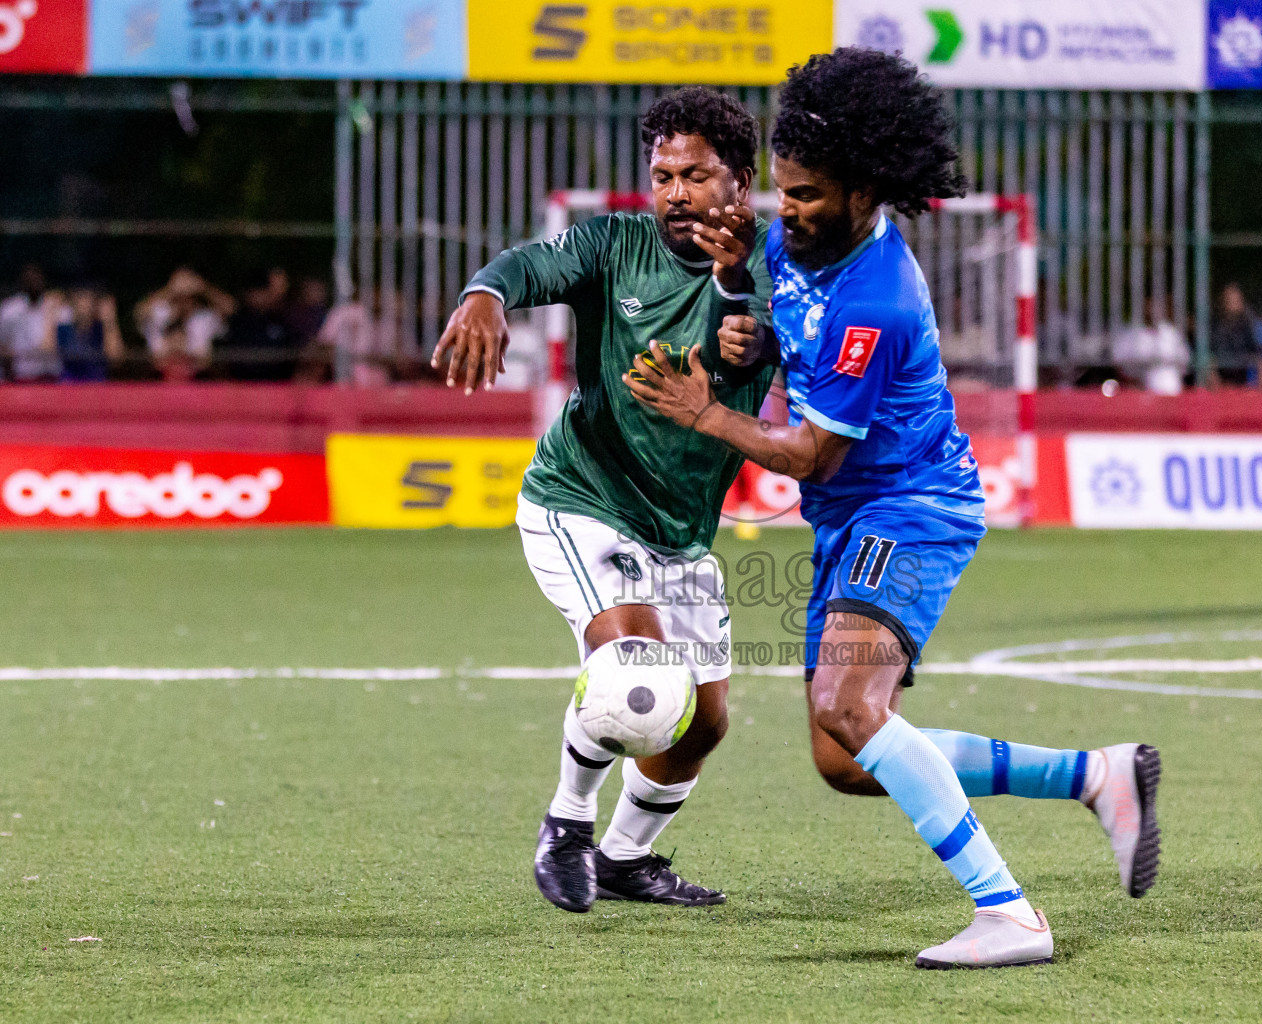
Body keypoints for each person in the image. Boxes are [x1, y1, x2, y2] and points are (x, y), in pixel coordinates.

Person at [627, 48, 1160, 970]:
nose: (785, 212)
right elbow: (771, 314)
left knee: (846, 701)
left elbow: (810, 450)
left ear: (866, 189)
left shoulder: (877, 298)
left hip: (911, 508)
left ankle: (1011, 914)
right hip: (850, 518)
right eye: (781, 193)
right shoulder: (797, 240)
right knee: (845, 757)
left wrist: (704, 411)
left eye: (807, 195)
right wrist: (738, 307)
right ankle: (1096, 777)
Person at [430, 88, 776, 913]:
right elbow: (527, 266)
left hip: (681, 528)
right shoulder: (613, 244)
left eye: (696, 174)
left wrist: (749, 326)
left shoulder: (778, 271)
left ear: (741, 178)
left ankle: (625, 857)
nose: (676, 193)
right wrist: (484, 293)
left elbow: (744, 351)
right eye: (662, 175)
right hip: (580, 497)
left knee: (703, 724)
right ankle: (568, 822)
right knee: (634, 672)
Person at [135, 268, 234, 382]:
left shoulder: (204, 317)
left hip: (199, 378)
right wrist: (170, 289)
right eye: (180, 297)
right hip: (158, 378)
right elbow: (139, 312)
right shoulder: (160, 313)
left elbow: (230, 308)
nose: (184, 301)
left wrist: (203, 288)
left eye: (188, 298)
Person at [224, 268, 299, 381]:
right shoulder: (239, 319)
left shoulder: (283, 319)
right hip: (242, 385)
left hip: (278, 386)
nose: (259, 297)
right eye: (255, 292)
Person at [0, 264, 64, 382]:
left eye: (36, 279)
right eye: (29, 279)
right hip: (20, 377)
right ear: (22, 282)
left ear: (43, 280)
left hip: (50, 378)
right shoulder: (10, 309)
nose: (33, 282)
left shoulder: (56, 306)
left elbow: (59, 345)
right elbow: (3, 344)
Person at [53, 285, 125, 382]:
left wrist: (110, 320)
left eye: (88, 299)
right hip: (68, 386)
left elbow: (116, 360)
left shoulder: (102, 329)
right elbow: (47, 356)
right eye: (80, 298)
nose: (84, 304)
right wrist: (50, 314)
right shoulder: (63, 329)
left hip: (96, 386)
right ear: (72, 303)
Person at [1211, 282, 1262, 386]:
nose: (1233, 303)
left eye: (1236, 300)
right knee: (1209, 364)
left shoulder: (1247, 324)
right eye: (1230, 300)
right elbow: (1209, 355)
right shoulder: (1215, 325)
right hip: (1220, 377)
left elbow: (1258, 353)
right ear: (1224, 301)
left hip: (1241, 377)